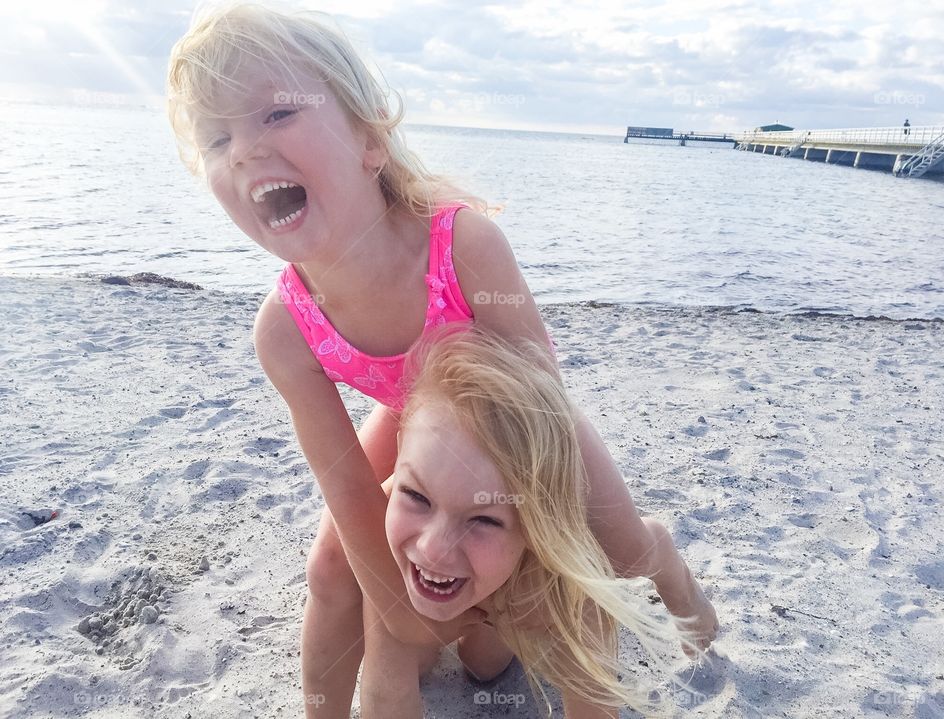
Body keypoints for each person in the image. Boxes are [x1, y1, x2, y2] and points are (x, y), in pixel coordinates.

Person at [166, 4, 719, 717]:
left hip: (521, 415)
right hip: (408, 411)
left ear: (370, 141)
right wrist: (398, 612)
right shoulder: (284, 329)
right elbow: (347, 488)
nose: (241, 150)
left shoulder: (462, 247)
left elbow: (541, 417)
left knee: (613, 550)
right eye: (217, 137)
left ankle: (667, 562)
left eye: (275, 115)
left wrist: (538, 558)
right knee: (332, 569)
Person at [362, 325, 713, 717]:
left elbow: (593, 707)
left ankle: (661, 550)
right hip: (488, 572)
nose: (430, 547)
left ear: (537, 525)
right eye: (416, 496)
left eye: (483, 519)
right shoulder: (388, 537)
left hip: (532, 576)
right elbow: (385, 694)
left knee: (627, 556)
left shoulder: (571, 586)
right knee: (476, 667)